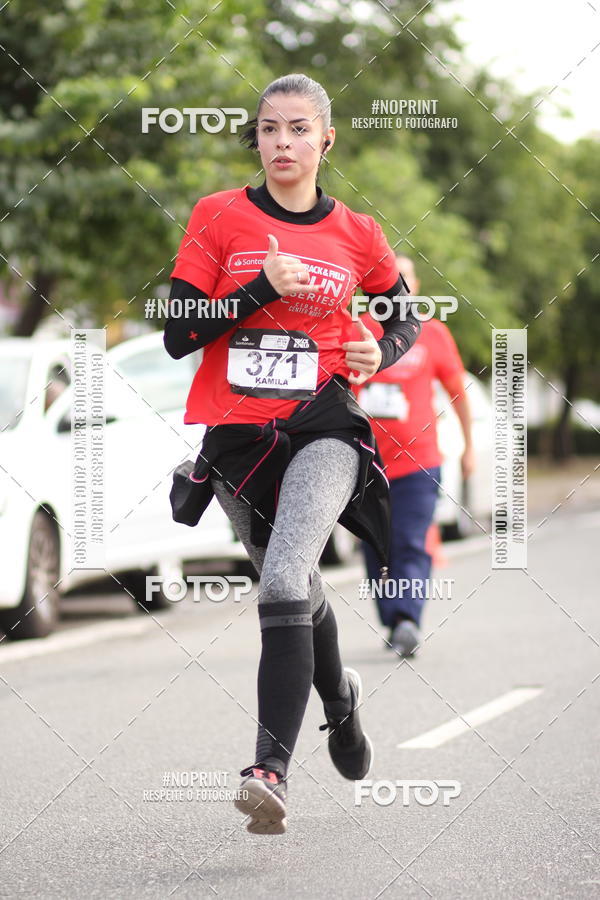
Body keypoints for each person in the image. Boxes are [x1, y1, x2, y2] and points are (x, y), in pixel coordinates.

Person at [163, 73, 421, 835]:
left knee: (280, 578)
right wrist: (255, 293)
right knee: (297, 585)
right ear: (258, 138)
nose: (284, 143)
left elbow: (400, 311)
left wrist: (385, 347)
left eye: (299, 129)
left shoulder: (358, 232)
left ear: (325, 141)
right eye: (270, 129)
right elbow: (180, 334)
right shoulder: (218, 218)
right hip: (239, 441)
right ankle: (340, 704)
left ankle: (267, 772)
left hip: (324, 427)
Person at [355, 255, 475, 656]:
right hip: (365, 464)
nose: (398, 286)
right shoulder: (357, 332)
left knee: (409, 540)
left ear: (416, 286)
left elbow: (458, 393)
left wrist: (468, 446)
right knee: (375, 545)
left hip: (420, 461)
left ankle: (407, 618)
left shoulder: (434, 334)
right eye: (391, 279)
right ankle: (393, 618)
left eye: (405, 278)